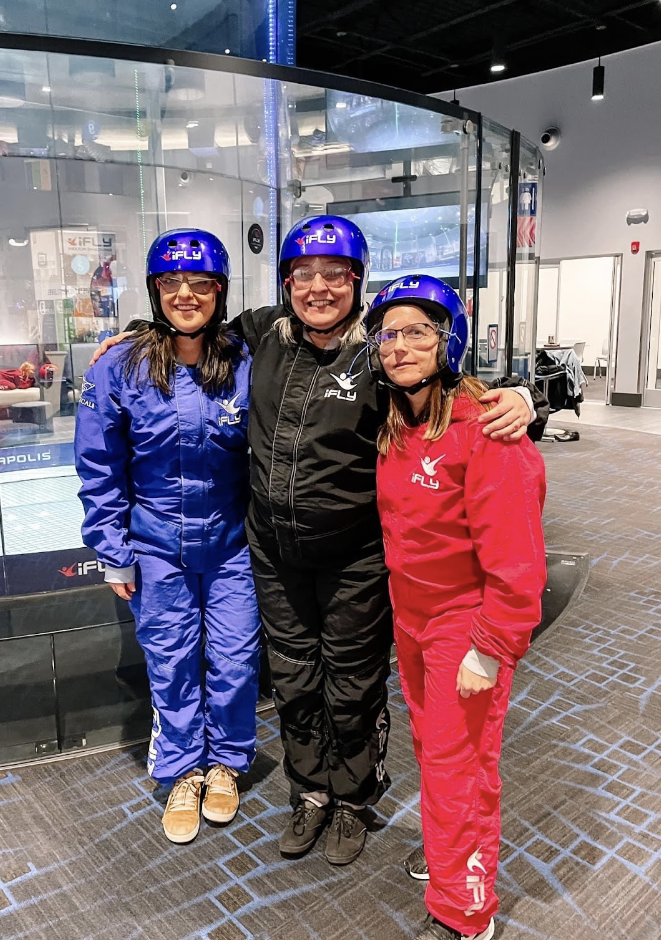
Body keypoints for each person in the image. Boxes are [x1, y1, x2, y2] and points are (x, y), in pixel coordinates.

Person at [90, 215, 548, 867]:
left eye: (335, 275)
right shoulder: (259, 337)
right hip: (274, 555)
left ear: (357, 281)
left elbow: (441, 385)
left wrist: (523, 400)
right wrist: (138, 333)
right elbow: (190, 326)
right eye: (303, 275)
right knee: (296, 679)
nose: (318, 288)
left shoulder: (378, 351)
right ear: (286, 282)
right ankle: (310, 790)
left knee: (352, 683)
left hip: (355, 558)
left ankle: (353, 798)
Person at [370, 275, 547, 940]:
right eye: (390, 334)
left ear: (450, 341)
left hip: (464, 625)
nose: (400, 346)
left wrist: (489, 646)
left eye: (418, 331)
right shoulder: (398, 417)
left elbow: (519, 562)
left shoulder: (487, 432)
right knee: (437, 754)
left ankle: (466, 911)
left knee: (459, 768)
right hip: (410, 618)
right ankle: (451, 859)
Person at [75, 229, 261, 845]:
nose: (186, 294)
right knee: (172, 660)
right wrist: (113, 553)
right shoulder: (119, 367)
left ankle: (227, 764)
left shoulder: (244, 364)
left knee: (234, 662)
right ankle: (183, 771)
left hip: (232, 546)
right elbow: (99, 465)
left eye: (200, 284)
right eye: (172, 283)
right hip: (155, 548)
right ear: (156, 291)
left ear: (219, 292)